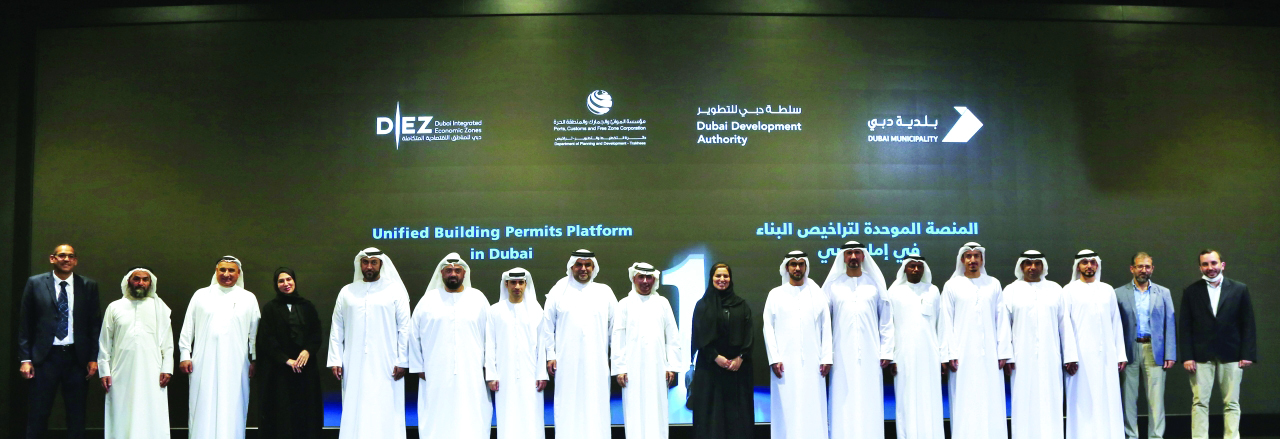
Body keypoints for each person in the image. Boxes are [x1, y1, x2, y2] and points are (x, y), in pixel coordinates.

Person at [327, 248, 411, 439]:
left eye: (374, 262)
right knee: (355, 404)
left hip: (388, 362)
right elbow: (337, 327)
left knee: (386, 405)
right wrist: (335, 359)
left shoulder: (395, 290)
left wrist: (403, 360)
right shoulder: (347, 292)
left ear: (381, 264)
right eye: (365, 262)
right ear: (360, 265)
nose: (369, 266)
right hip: (353, 361)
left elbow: (405, 328)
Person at [18, 244, 101, 439]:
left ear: (76, 261)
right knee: (39, 412)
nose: (66, 259)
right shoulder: (35, 283)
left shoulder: (88, 285)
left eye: (71, 256)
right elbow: (25, 323)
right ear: (52, 258)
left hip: (76, 358)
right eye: (62, 255)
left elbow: (94, 324)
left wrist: (93, 357)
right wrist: (25, 359)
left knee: (77, 414)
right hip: (44, 358)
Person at [408, 253, 492, 439]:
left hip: (472, 372)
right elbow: (414, 335)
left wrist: (489, 366)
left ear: (464, 273)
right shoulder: (428, 300)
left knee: (472, 415)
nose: (453, 274)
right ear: (441, 273)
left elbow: (490, 336)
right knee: (437, 416)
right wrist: (419, 366)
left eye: (457, 270)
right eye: (448, 270)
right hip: (434, 373)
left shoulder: (478, 299)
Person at [178, 256, 262, 439]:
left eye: (231, 270)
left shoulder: (248, 298)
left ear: (238, 273)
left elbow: (255, 333)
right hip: (203, 362)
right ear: (216, 271)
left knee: (233, 405)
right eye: (222, 270)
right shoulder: (201, 295)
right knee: (202, 404)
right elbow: (188, 326)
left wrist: (255, 359)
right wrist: (185, 354)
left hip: (237, 363)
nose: (226, 274)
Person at [1178, 249, 1256, 439]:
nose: (1210, 267)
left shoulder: (1239, 289)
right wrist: (1187, 356)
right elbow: (1185, 327)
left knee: (1232, 403)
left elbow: (1248, 324)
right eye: (1205, 264)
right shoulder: (1191, 291)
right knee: (1199, 403)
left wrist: (1247, 354)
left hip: (1232, 354)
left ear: (1222, 265)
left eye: (1213, 263)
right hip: (1200, 356)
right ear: (1200, 267)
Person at [541, 249, 618, 439]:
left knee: (596, 405)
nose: (583, 269)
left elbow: (616, 330)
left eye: (587, 265)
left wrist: (617, 360)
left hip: (597, 363)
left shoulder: (604, 292)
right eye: (579, 265)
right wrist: (550, 355)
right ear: (571, 266)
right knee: (567, 405)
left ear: (593, 267)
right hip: (566, 362)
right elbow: (547, 326)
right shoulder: (559, 290)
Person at [1001, 250, 1078, 439]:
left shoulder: (1055, 289)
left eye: (1037, 263)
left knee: (1050, 399)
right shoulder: (1010, 290)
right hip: (1021, 358)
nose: (1032, 267)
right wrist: (1007, 356)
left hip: (1050, 356)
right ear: (1021, 266)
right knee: (1023, 400)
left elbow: (1064, 324)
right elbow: (1004, 326)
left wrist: (1070, 356)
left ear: (1043, 266)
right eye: (1028, 263)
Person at [821, 241, 892, 439]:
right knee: (842, 401)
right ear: (843, 257)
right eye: (849, 253)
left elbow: (886, 319)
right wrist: (826, 354)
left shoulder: (874, 284)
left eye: (857, 253)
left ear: (863, 256)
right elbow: (823, 322)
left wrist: (886, 351)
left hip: (871, 354)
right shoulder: (833, 285)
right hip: (840, 356)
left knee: (870, 398)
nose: (853, 257)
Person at [939, 242, 1010, 439]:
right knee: (965, 399)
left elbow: (1001, 319)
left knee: (991, 398)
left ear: (981, 259)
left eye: (976, 256)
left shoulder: (993, 284)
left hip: (990, 355)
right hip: (961, 356)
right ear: (962, 260)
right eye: (968, 256)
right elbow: (946, 321)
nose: (972, 260)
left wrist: (1003, 352)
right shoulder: (952, 286)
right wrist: (949, 353)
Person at [762, 250, 832, 439]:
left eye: (801, 264)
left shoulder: (817, 294)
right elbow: (768, 327)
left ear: (806, 267)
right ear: (787, 267)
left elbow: (826, 326)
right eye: (793, 264)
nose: (797, 268)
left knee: (813, 405)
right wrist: (774, 359)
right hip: (784, 365)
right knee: (786, 407)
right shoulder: (775, 294)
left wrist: (826, 357)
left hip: (813, 363)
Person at [98, 267, 173, 439]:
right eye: (136, 279)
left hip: (153, 372)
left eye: (145, 279)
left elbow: (167, 342)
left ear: (150, 283)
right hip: (120, 372)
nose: (141, 283)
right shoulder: (115, 307)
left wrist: (167, 368)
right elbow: (104, 342)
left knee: (151, 412)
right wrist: (104, 371)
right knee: (121, 412)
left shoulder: (159, 308)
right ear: (128, 281)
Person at [612, 262, 682, 439]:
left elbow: (672, 336)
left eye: (648, 277)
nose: (645, 281)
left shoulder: (662, 303)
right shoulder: (624, 304)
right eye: (641, 277)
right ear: (633, 278)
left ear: (654, 280)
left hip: (658, 368)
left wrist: (671, 366)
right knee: (633, 410)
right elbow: (618, 337)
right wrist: (620, 368)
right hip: (631, 370)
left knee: (657, 410)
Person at [687, 262, 755, 439]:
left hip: (737, 370)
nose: (722, 279)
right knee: (711, 416)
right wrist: (716, 357)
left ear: (730, 279)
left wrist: (740, 358)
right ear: (711, 278)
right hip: (710, 369)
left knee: (737, 417)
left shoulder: (741, 305)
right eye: (718, 276)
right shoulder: (703, 306)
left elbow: (749, 334)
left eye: (726, 276)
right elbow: (700, 335)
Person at [1063, 250, 1126, 439]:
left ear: (1097, 265)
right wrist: (1070, 356)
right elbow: (1065, 325)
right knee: (1082, 400)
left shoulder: (1107, 290)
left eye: (1092, 262)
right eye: (1084, 262)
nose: (1089, 265)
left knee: (1107, 399)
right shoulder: (1068, 290)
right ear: (1078, 266)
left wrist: (1120, 354)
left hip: (1107, 356)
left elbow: (1116, 323)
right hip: (1080, 358)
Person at [256, 268, 324, 439]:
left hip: (306, 370)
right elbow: (266, 339)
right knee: (282, 414)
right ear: (276, 284)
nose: (286, 284)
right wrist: (286, 360)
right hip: (280, 371)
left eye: (289, 279)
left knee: (307, 413)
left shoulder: (307, 306)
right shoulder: (270, 308)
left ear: (294, 281)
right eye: (281, 281)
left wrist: (307, 351)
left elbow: (316, 333)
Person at [1116, 253, 1176, 439]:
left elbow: (1170, 323)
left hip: (1154, 350)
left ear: (1152, 269)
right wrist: (1118, 354)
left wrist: (1170, 353)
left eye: (1147, 266)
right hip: (1129, 350)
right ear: (1132, 268)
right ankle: (1131, 436)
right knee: (1128, 397)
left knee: (1156, 399)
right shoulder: (1119, 293)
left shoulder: (1163, 292)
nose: (1144, 270)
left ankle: (1156, 436)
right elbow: (1114, 326)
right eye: (1140, 266)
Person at [884, 254, 944, 439]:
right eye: (912, 266)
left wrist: (943, 356)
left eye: (919, 266)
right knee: (906, 399)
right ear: (905, 268)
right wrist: (891, 356)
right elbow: (889, 326)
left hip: (930, 355)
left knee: (930, 397)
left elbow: (941, 325)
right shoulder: (894, 292)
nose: (916, 269)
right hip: (903, 355)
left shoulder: (933, 291)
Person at [485, 268, 549, 439]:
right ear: (506, 284)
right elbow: (490, 344)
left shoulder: (536, 311)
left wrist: (542, 374)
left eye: (521, 283)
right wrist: (491, 375)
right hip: (503, 375)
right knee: (507, 416)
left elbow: (542, 345)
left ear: (526, 284)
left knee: (532, 417)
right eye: (513, 282)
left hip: (531, 375)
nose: (517, 286)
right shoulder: (494, 311)